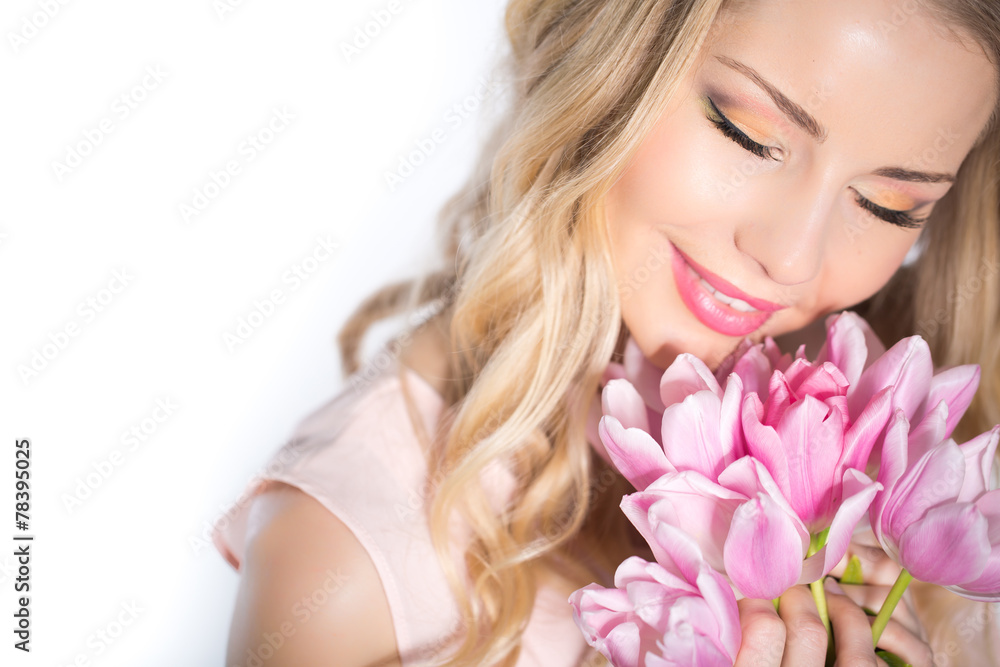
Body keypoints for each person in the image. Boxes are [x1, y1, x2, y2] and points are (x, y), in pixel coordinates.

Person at [213, 0, 1000, 665]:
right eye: (747, 133)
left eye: (891, 206)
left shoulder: (918, 485)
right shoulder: (347, 574)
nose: (791, 258)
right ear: (613, 62)